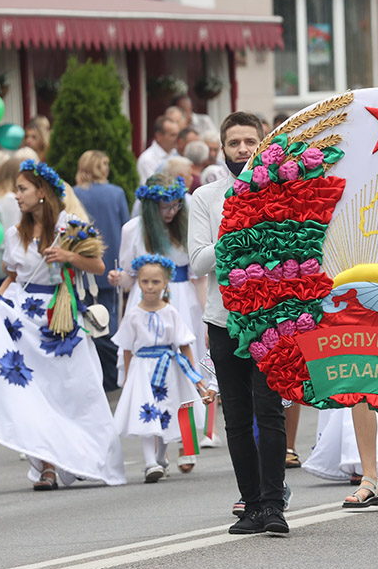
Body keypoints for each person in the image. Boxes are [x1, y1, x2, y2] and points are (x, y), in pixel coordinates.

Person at [0, 159, 126, 490]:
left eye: (22, 189)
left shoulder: (70, 226)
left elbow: (98, 265)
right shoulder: (14, 233)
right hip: (25, 320)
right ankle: (46, 467)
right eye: (16, 189)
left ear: (42, 192)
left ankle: (83, 456)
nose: (16, 196)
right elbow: (13, 276)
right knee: (34, 394)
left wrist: (68, 257)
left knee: (75, 390)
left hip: (61, 321)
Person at [188, 111, 289, 534]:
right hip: (224, 320)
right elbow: (197, 263)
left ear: (263, 145)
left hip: (271, 319)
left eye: (250, 141)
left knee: (270, 411)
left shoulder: (284, 189)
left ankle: (274, 504)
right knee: (236, 416)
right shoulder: (205, 198)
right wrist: (236, 231)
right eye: (234, 143)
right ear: (222, 149)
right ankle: (250, 504)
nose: (243, 149)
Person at [114, 255, 210, 483]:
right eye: (145, 281)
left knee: (165, 412)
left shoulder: (171, 312)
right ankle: (149, 463)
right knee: (147, 411)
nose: (149, 287)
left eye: (155, 282)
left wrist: (194, 376)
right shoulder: (133, 315)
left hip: (169, 369)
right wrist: (128, 377)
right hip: (141, 369)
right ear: (138, 282)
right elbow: (127, 348)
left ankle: (160, 457)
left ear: (165, 283)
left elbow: (184, 344)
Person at [110, 174, 205, 398]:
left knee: (187, 354)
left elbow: (199, 276)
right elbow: (129, 276)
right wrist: (117, 278)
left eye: (176, 205)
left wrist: (207, 314)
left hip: (183, 299)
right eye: (165, 207)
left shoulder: (187, 226)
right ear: (151, 207)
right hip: (144, 301)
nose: (172, 212)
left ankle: (189, 420)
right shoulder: (132, 229)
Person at [74, 150, 130, 389]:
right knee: (110, 319)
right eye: (104, 163)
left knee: (86, 320)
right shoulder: (116, 193)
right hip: (111, 264)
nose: (107, 167)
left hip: (84, 265)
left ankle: (94, 371)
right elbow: (125, 228)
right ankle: (112, 372)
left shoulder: (75, 194)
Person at [136, 115, 180, 184]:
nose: (177, 139)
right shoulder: (147, 160)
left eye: (178, 135)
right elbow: (151, 188)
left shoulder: (175, 153)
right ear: (159, 136)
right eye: (173, 135)